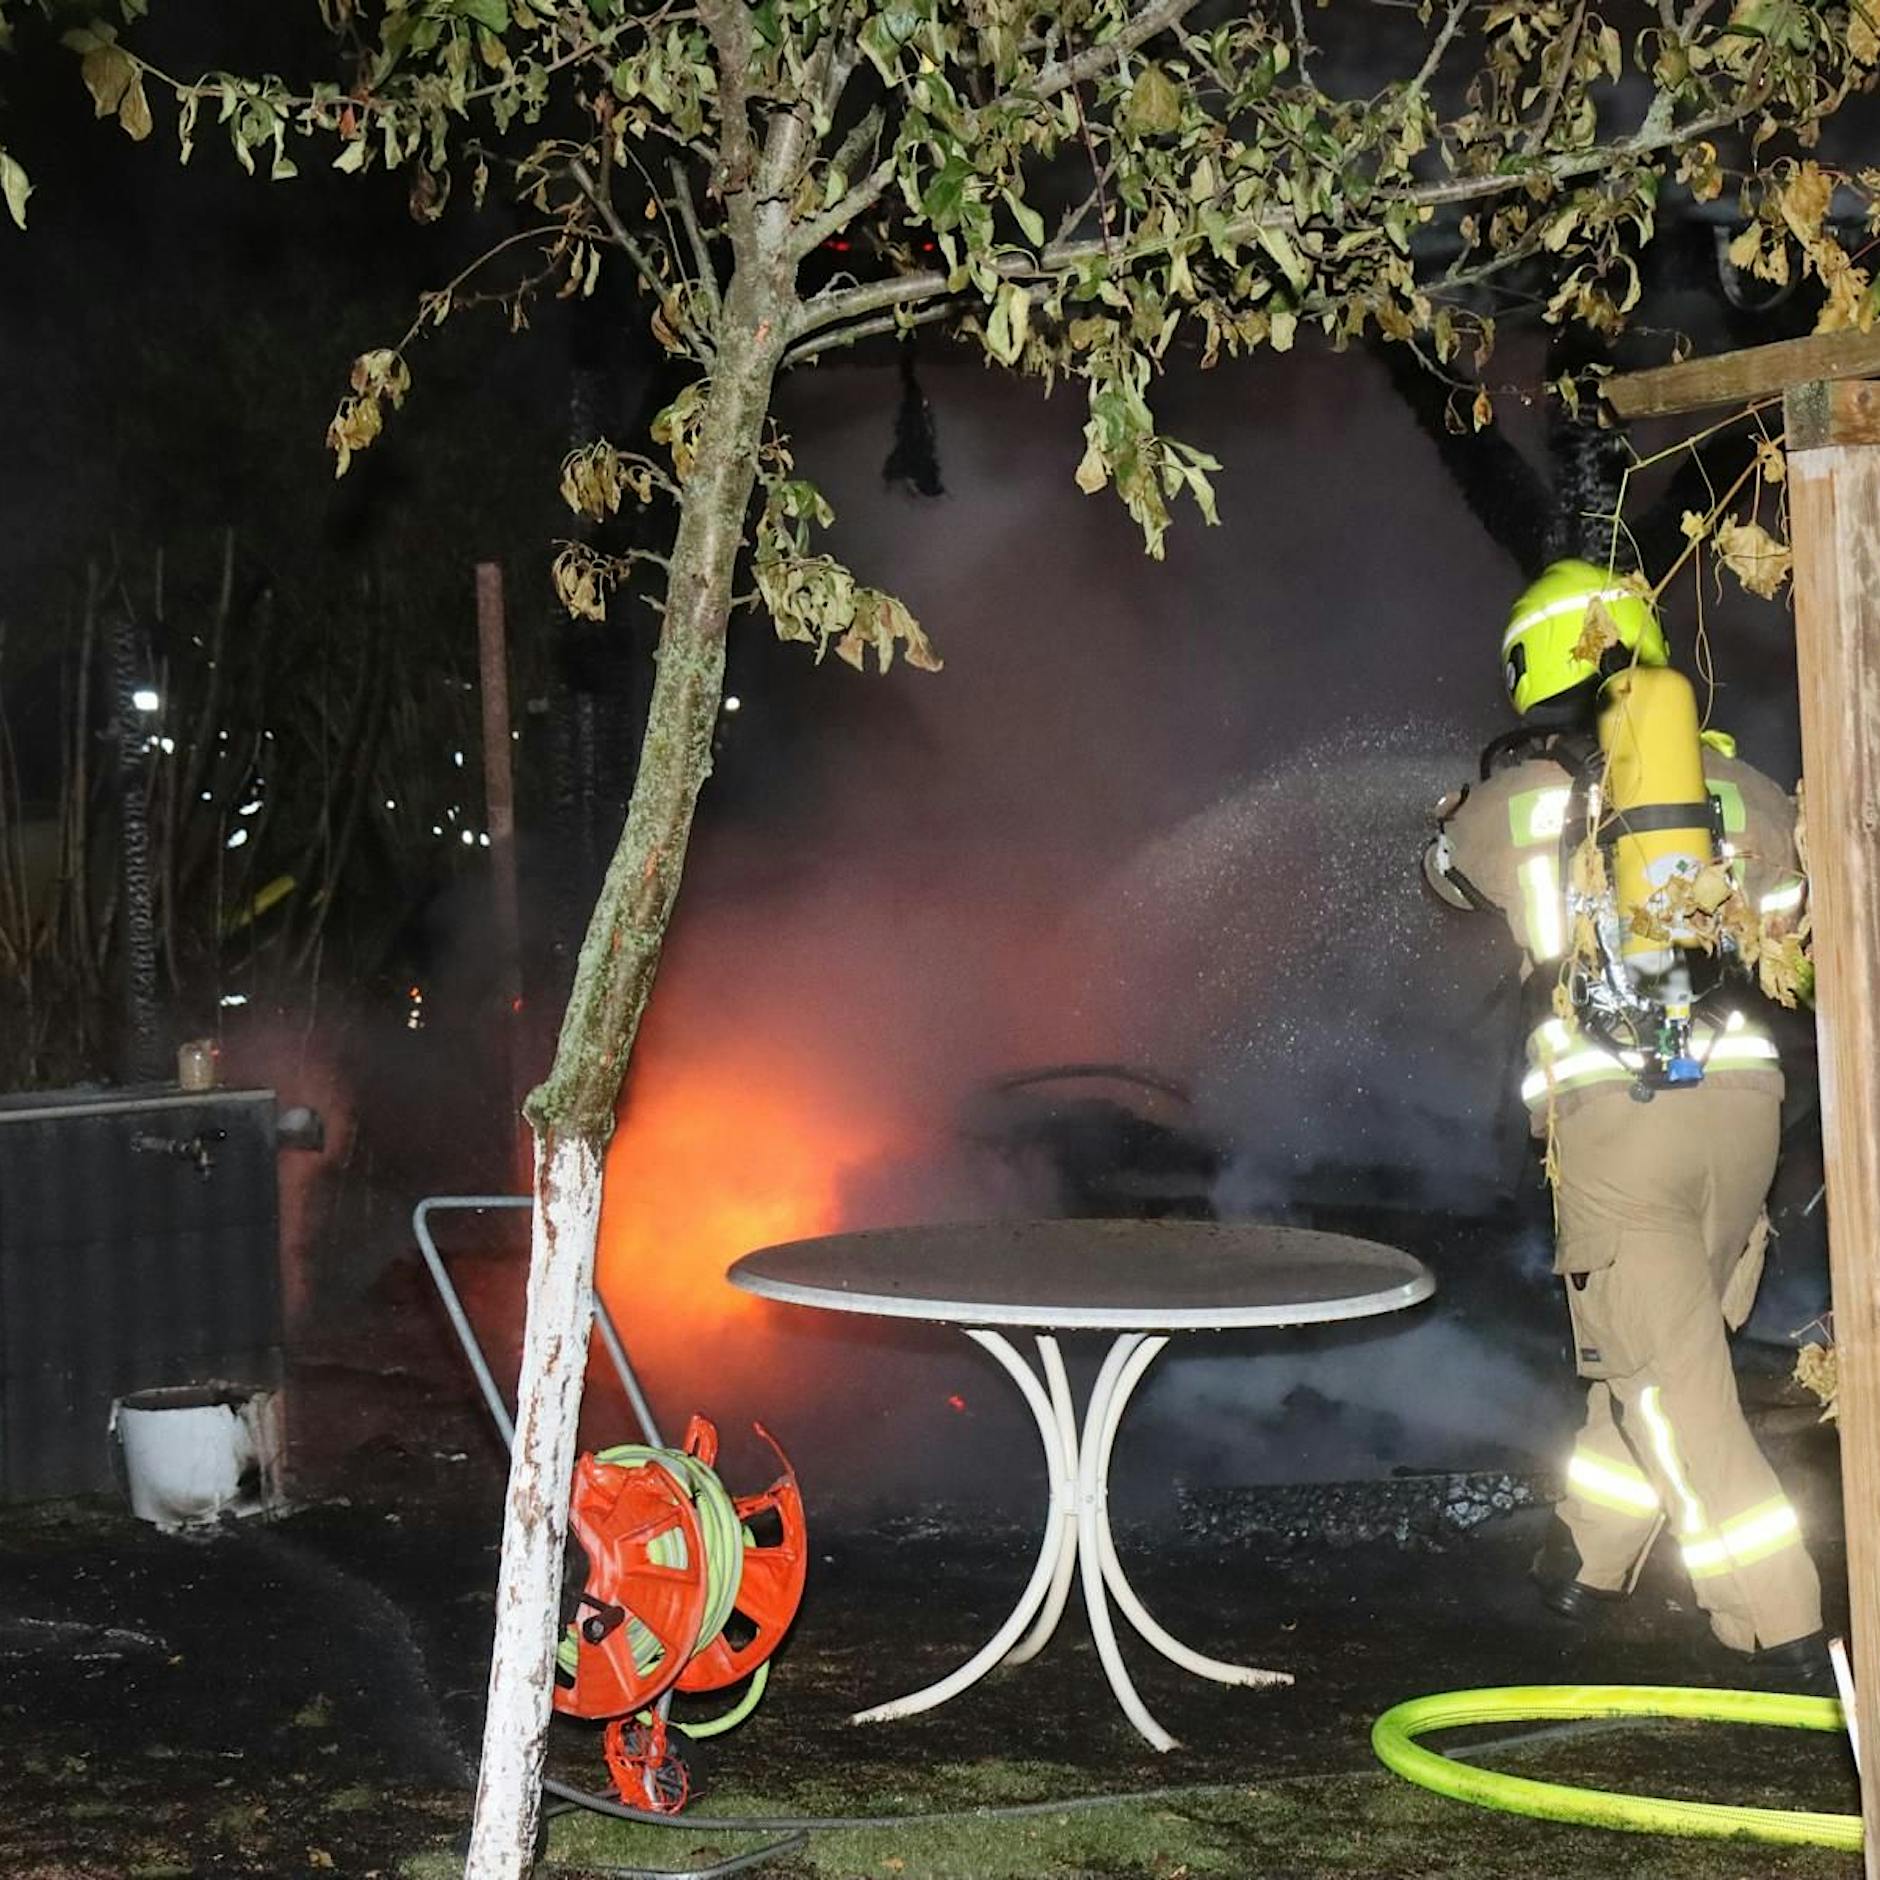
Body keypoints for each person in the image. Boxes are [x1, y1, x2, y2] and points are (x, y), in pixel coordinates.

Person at [1423, 559, 1826, 1685]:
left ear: (1531, 664)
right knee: (1659, 1352)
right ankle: (1585, 1557)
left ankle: (1778, 1621)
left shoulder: (1530, 790)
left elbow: (1446, 878)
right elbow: (1790, 920)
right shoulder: (1737, 783)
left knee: (1670, 1387)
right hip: (1745, 1118)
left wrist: (1455, 817)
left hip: (1619, 1123)